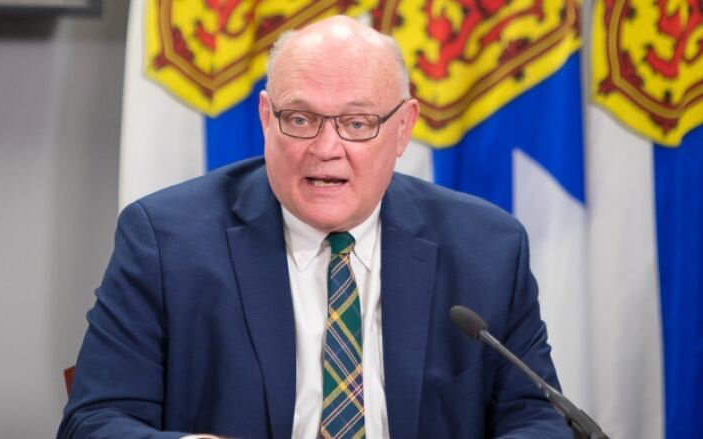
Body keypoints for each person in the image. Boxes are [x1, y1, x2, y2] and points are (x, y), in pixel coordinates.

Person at [58, 15, 571, 439]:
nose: (326, 149)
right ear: (266, 117)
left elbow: (537, 417)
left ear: (403, 128)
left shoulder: (487, 248)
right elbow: (94, 421)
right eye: (300, 119)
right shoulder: (166, 240)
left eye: (357, 124)